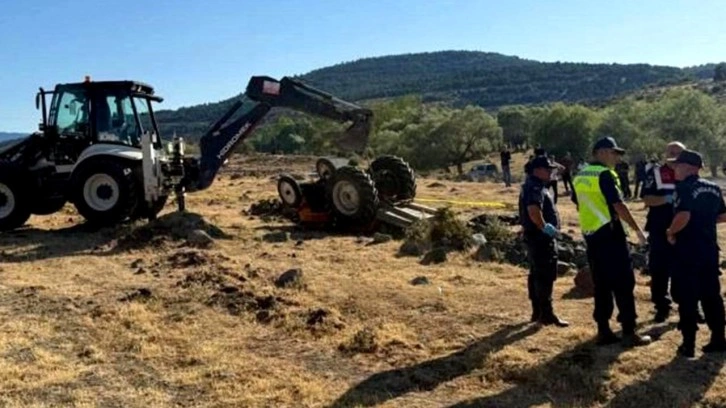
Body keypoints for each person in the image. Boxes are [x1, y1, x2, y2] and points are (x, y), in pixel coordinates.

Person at [572, 136, 652, 347]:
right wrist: (637, 230)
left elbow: (578, 203)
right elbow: (618, 205)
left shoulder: (580, 175)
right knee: (624, 283)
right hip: (610, 234)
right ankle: (629, 331)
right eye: (614, 153)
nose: (617, 158)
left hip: (592, 234)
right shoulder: (605, 174)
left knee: (601, 284)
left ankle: (603, 330)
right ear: (602, 153)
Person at [666, 149, 726, 358]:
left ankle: (688, 343)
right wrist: (705, 221)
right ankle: (718, 338)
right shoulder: (713, 187)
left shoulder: (684, 187)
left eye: (678, 165)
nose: (675, 169)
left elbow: (683, 215)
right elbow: (723, 216)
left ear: (689, 167)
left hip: (687, 250)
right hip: (709, 249)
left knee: (687, 296)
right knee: (711, 295)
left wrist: (671, 232)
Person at [518, 156, 569, 327]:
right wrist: (545, 228)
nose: (550, 172)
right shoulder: (535, 187)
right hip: (540, 238)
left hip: (535, 237)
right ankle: (546, 314)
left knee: (536, 274)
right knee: (544, 275)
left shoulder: (534, 185)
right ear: (537, 170)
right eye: (548, 169)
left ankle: (538, 311)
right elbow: (533, 211)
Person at [640, 142, 684, 323]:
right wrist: (666, 199)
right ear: (665, 154)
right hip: (659, 228)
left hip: (684, 229)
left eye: (679, 153)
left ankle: (689, 305)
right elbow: (647, 198)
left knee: (686, 268)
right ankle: (662, 306)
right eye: (671, 152)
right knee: (659, 269)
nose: (674, 156)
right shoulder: (656, 173)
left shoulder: (688, 174)